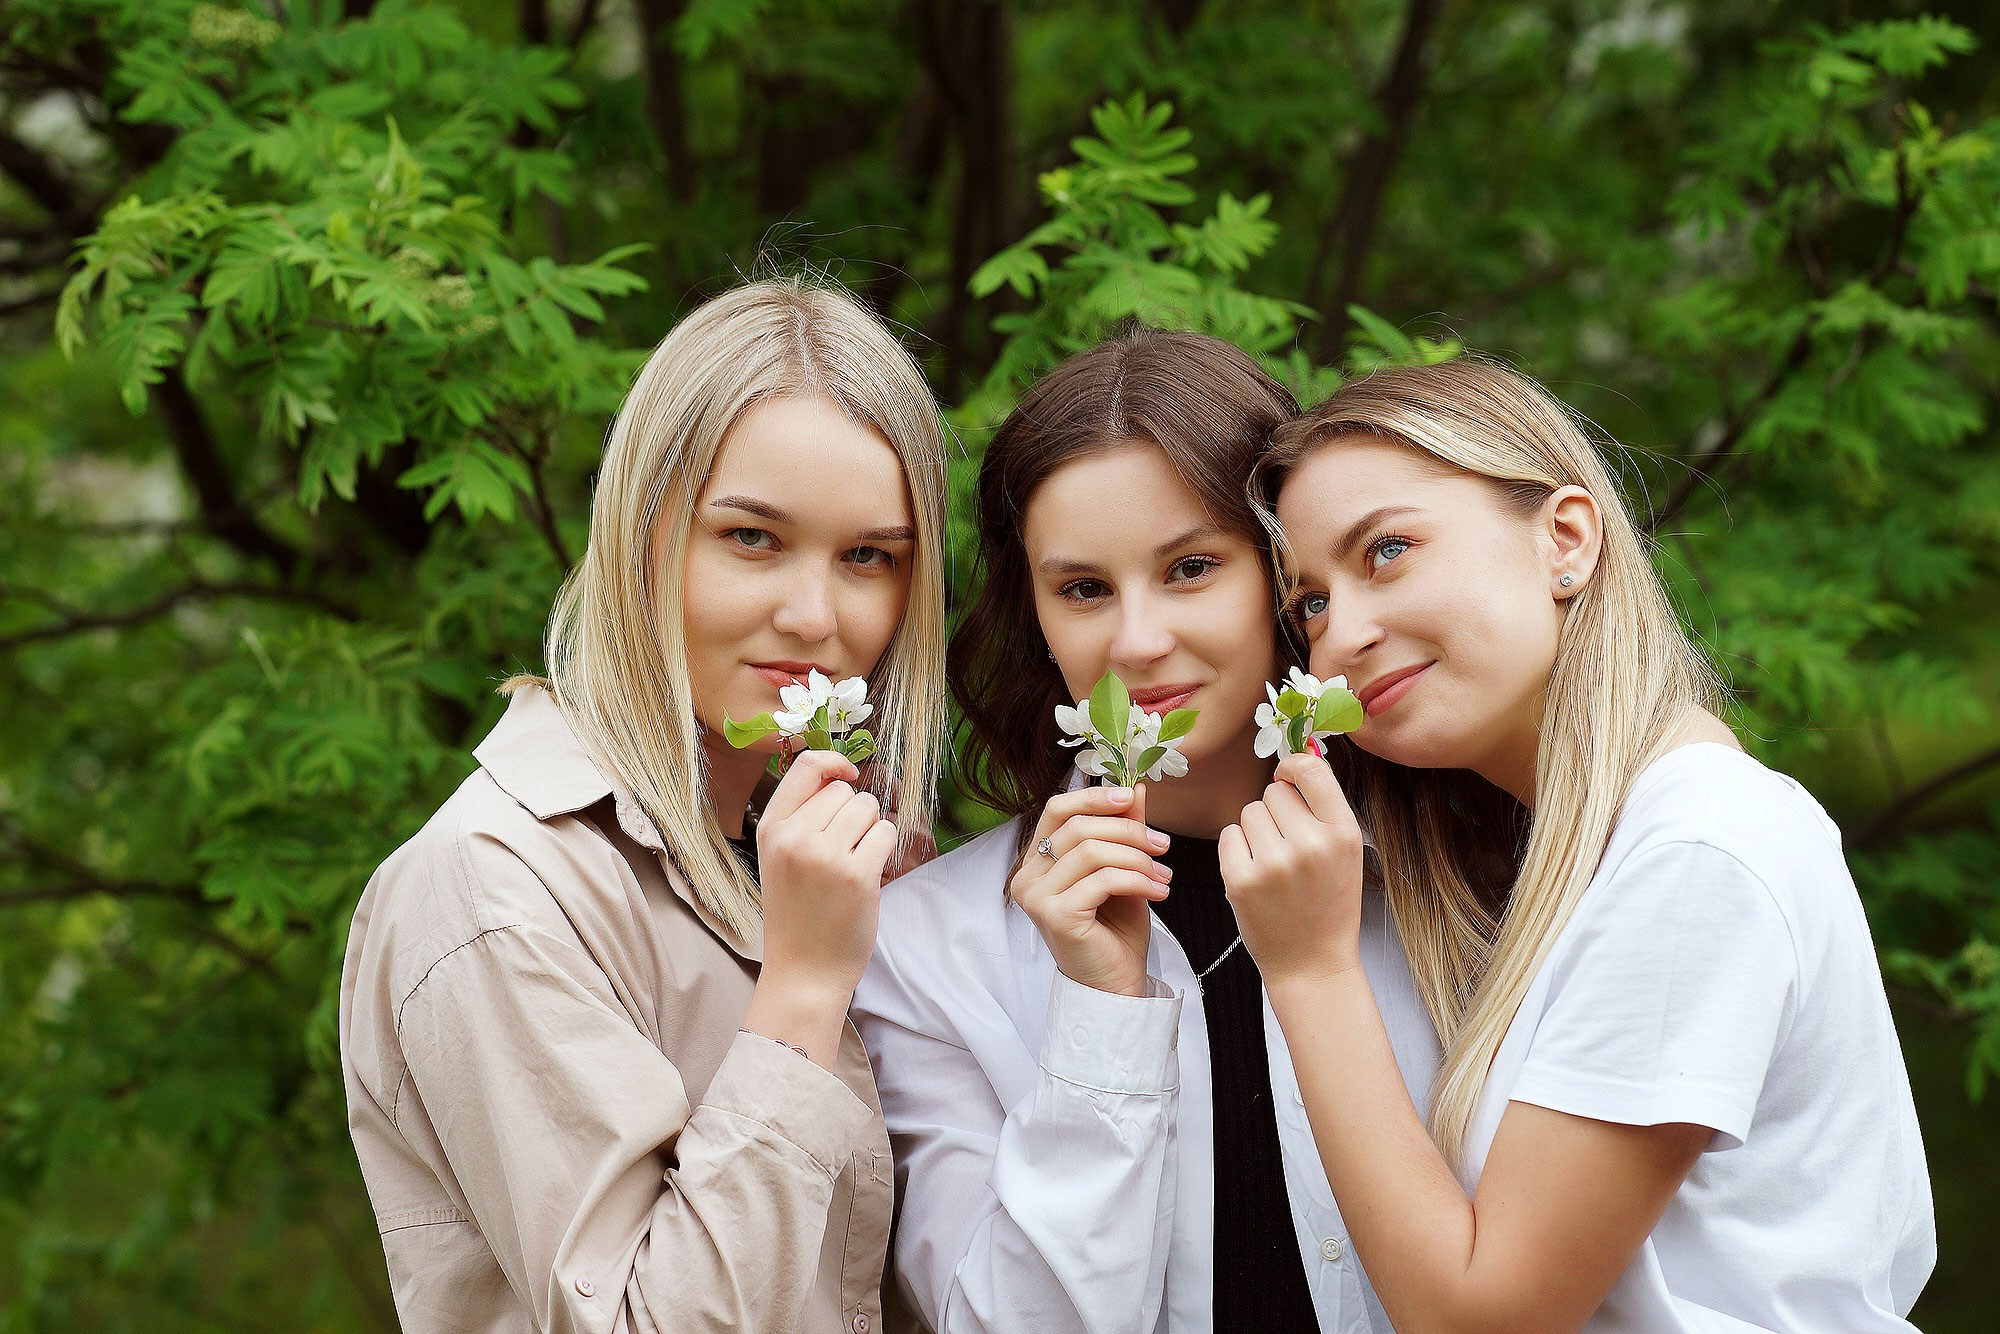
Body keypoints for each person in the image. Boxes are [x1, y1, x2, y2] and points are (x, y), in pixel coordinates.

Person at [1220, 358, 1935, 1332]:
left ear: (1564, 538)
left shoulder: (1696, 852)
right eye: (1310, 603)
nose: (1338, 635)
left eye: (1385, 550)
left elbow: (1480, 1317)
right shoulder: (1592, 859)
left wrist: (1308, 970)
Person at [339, 277, 949, 1333]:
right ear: (639, 529)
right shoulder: (494, 888)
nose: (814, 614)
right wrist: (803, 989)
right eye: (750, 536)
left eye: (868, 557)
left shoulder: (818, 859)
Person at [852, 329, 1439, 1334]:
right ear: (1031, 612)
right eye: (1082, 588)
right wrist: (1097, 1006)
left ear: (1279, 571)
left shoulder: (1459, 869)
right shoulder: (921, 949)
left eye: (1189, 567)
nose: (1136, 641)